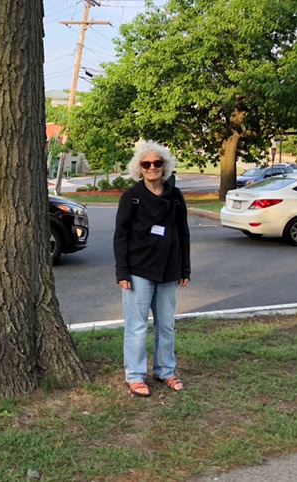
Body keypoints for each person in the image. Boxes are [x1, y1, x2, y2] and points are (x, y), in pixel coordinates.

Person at [113, 141, 191, 397]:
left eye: (157, 163)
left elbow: (183, 233)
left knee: (166, 324)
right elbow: (121, 236)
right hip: (138, 271)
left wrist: (185, 268)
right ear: (139, 168)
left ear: (165, 166)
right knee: (136, 326)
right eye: (146, 164)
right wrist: (122, 272)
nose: (152, 167)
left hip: (169, 270)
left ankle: (165, 371)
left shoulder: (175, 197)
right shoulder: (131, 197)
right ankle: (135, 376)